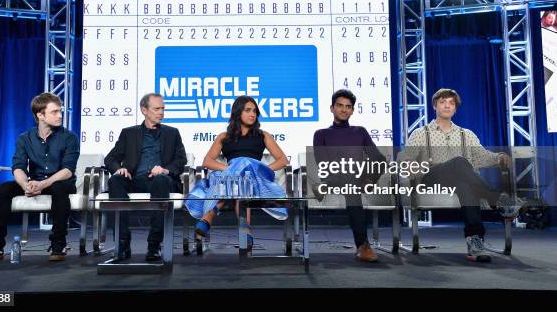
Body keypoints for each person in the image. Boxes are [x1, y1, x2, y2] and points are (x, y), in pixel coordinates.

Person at [398, 88, 520, 262]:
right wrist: (408, 163)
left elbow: (482, 156)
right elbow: (405, 156)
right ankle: (498, 200)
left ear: (455, 108)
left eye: (451, 103)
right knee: (460, 162)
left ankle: (475, 241)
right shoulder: (420, 133)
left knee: (465, 185)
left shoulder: (466, 135)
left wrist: (499, 157)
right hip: (431, 180)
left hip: (460, 181)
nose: (447, 105)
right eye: (443, 102)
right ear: (435, 106)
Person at [0, 93, 80, 263]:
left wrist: (43, 184)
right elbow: (18, 167)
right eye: (55, 112)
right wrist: (25, 185)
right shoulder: (25, 138)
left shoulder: (69, 137)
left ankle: (58, 243)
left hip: (59, 182)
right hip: (34, 181)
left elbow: (68, 170)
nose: (60, 115)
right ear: (40, 115)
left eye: (60, 111)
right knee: (4, 189)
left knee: (59, 189)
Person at [186, 95, 289, 248]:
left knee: (242, 171)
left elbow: (282, 159)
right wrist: (229, 169)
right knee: (236, 180)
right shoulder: (224, 137)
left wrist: (260, 170)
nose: (252, 114)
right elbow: (208, 161)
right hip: (232, 179)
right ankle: (245, 231)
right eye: (248, 110)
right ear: (238, 112)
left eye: (254, 111)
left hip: (254, 178)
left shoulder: (263, 135)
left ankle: (206, 221)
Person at [104, 93, 187, 262]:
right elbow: (110, 159)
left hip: (160, 180)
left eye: (163, 108)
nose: (161, 112)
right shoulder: (129, 133)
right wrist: (119, 169)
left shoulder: (172, 133)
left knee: (161, 181)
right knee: (115, 181)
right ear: (144, 110)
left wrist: (165, 170)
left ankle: (154, 244)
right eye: (157, 109)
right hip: (134, 179)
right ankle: (122, 242)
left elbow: (181, 160)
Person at [313, 89, 387, 262]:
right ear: (332, 108)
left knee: (380, 160)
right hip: (333, 176)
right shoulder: (321, 134)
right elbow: (322, 163)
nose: (344, 110)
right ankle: (363, 245)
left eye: (348, 107)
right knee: (351, 183)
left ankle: (363, 182)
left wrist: (368, 177)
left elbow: (378, 158)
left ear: (352, 110)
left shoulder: (359, 131)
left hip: (356, 178)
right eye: (340, 106)